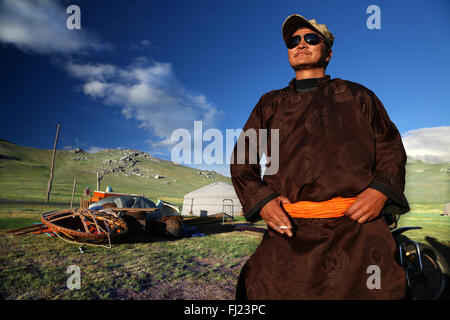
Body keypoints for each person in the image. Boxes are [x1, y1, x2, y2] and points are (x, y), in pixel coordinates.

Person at [230, 14, 410, 300]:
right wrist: (262, 201)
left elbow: (390, 148)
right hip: (290, 230)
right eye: (293, 40)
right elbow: (243, 158)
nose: (301, 44)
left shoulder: (358, 96)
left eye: (311, 38)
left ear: (328, 53)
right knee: (259, 289)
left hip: (358, 229)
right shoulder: (270, 103)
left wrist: (380, 190)